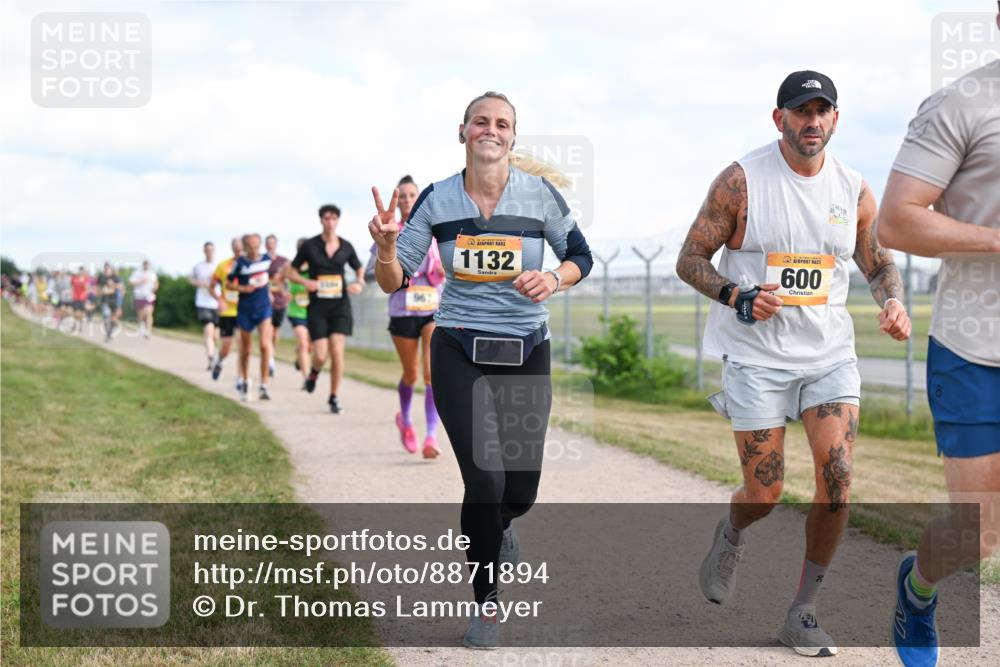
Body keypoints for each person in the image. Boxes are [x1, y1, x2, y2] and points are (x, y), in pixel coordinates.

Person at [675, 71, 912, 658]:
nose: (812, 122)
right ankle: (732, 533)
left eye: (821, 111)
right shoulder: (742, 181)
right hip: (755, 357)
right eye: (800, 111)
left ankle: (803, 611)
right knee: (766, 493)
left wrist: (893, 301)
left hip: (829, 356)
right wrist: (739, 295)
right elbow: (690, 258)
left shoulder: (852, 188)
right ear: (778, 118)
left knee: (837, 480)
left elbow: (878, 263)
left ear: (836, 119)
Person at [369, 91, 592, 649]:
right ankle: (486, 604)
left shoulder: (540, 195)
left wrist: (555, 278)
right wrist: (387, 249)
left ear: (513, 137)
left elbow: (580, 256)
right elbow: (395, 281)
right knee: (485, 479)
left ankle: (504, 525)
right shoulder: (439, 199)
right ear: (463, 131)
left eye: (502, 123)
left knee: (519, 491)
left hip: (526, 348)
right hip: (458, 349)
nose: (490, 130)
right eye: (480, 121)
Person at [877, 47, 1000, 667]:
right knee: (979, 531)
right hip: (976, 348)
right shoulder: (963, 103)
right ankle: (918, 590)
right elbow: (896, 222)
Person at [366, 175, 446, 458]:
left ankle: (431, 437)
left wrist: (443, 272)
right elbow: (368, 274)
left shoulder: (435, 232)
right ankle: (405, 419)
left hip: (432, 310)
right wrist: (389, 261)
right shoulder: (388, 229)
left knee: (430, 373)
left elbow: (450, 263)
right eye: (403, 196)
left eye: (413, 195)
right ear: (396, 201)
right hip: (402, 310)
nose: (408, 200)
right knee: (411, 373)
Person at [288, 205, 365, 414]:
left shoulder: (346, 246)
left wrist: (359, 282)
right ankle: (314, 372)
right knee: (321, 355)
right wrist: (306, 283)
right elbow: (291, 272)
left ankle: (333, 397)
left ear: (338, 221)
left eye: (333, 218)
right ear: (321, 220)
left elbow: (359, 268)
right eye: (326, 218)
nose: (330, 222)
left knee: (337, 352)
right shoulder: (310, 246)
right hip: (318, 308)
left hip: (340, 305)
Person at [226, 233, 274, 401]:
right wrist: (243, 289)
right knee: (246, 350)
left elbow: (276, 276)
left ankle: (264, 385)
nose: (254, 250)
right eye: (250, 247)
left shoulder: (267, 260)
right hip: (245, 309)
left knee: (264, 345)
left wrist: (277, 289)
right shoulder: (240, 263)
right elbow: (228, 283)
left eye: (256, 246)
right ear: (245, 247)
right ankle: (245, 380)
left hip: (263, 308)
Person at [211, 237, 243, 383]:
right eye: (235, 248)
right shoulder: (223, 266)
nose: (238, 250)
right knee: (227, 347)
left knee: (243, 345)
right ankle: (219, 361)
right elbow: (212, 285)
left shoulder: (249, 265)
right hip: (228, 311)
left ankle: (241, 378)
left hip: (244, 310)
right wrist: (219, 300)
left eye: (240, 248)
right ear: (232, 248)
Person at [285, 237, 312, 387]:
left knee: (310, 346)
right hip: (296, 311)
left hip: (313, 311)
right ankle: (307, 378)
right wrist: (284, 292)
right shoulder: (290, 267)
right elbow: (278, 280)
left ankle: (299, 358)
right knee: (303, 343)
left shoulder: (315, 265)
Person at [190, 242, 220, 371]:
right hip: (203, 303)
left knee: (216, 336)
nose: (209, 252)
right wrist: (199, 283)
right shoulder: (198, 266)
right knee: (208, 331)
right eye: (207, 250)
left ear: (214, 251)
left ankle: (215, 355)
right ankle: (211, 358)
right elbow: (190, 279)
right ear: (204, 251)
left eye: (211, 250)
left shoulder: (219, 266)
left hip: (217, 302)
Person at [265, 234, 290, 379]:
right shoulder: (261, 260)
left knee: (275, 332)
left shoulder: (283, 261)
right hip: (265, 302)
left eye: (272, 243)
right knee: (267, 331)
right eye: (268, 243)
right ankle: (270, 361)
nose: (270, 245)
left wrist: (286, 290)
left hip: (279, 302)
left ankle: (271, 353)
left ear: (276, 244)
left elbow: (290, 276)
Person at [130, 259, 159, 338]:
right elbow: (131, 282)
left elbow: (156, 282)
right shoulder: (137, 273)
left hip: (149, 296)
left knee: (149, 313)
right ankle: (142, 325)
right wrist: (140, 281)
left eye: (148, 264)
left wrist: (155, 287)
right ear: (143, 265)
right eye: (145, 264)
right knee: (141, 315)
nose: (146, 266)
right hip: (139, 295)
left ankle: (148, 331)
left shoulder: (152, 273)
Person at [97, 263, 123, 342]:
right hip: (105, 300)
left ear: (111, 270)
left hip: (114, 300)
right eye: (105, 269)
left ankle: (109, 333)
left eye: (108, 269)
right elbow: (97, 287)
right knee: (106, 315)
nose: (106, 271)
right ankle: (108, 332)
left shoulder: (115, 277)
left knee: (114, 317)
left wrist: (113, 285)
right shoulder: (101, 277)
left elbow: (120, 287)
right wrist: (101, 291)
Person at [69, 266, 89, 333]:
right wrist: (71, 293)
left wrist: (82, 282)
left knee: (81, 313)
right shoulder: (74, 278)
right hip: (75, 297)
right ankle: (74, 325)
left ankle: (80, 325)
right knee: (75, 313)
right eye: (80, 271)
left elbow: (87, 288)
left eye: (82, 271)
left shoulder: (86, 279)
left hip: (82, 298)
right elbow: (71, 286)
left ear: (83, 272)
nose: (81, 272)